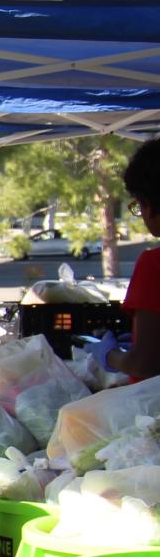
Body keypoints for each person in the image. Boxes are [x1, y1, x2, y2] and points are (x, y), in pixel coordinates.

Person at [105, 138, 160, 382]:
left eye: (138, 204)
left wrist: (110, 355)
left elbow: (144, 364)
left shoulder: (154, 264)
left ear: (151, 203)